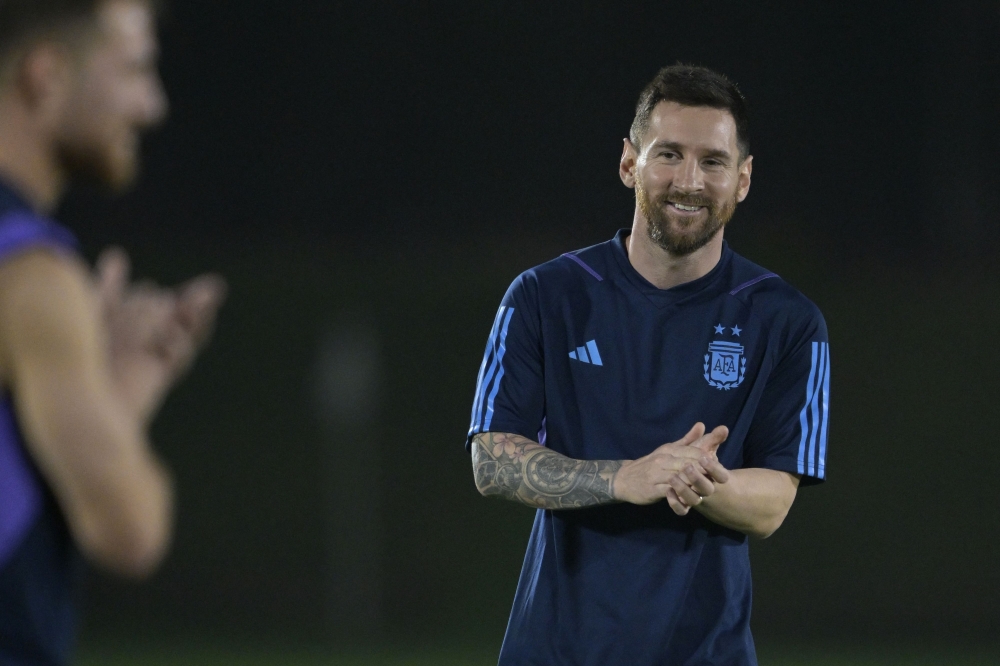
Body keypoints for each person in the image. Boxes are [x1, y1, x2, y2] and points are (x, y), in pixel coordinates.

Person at [467, 64, 830, 666]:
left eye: (712, 162)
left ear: (742, 179)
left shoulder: (787, 320)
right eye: (669, 155)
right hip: (556, 651)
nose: (689, 181)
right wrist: (625, 478)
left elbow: (772, 503)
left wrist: (697, 480)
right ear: (629, 162)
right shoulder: (544, 296)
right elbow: (490, 459)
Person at [0, 1, 225, 663]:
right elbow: (130, 529)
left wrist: (98, 394)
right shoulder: (30, 276)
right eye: (133, 68)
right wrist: (118, 386)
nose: (151, 105)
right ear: (45, 74)